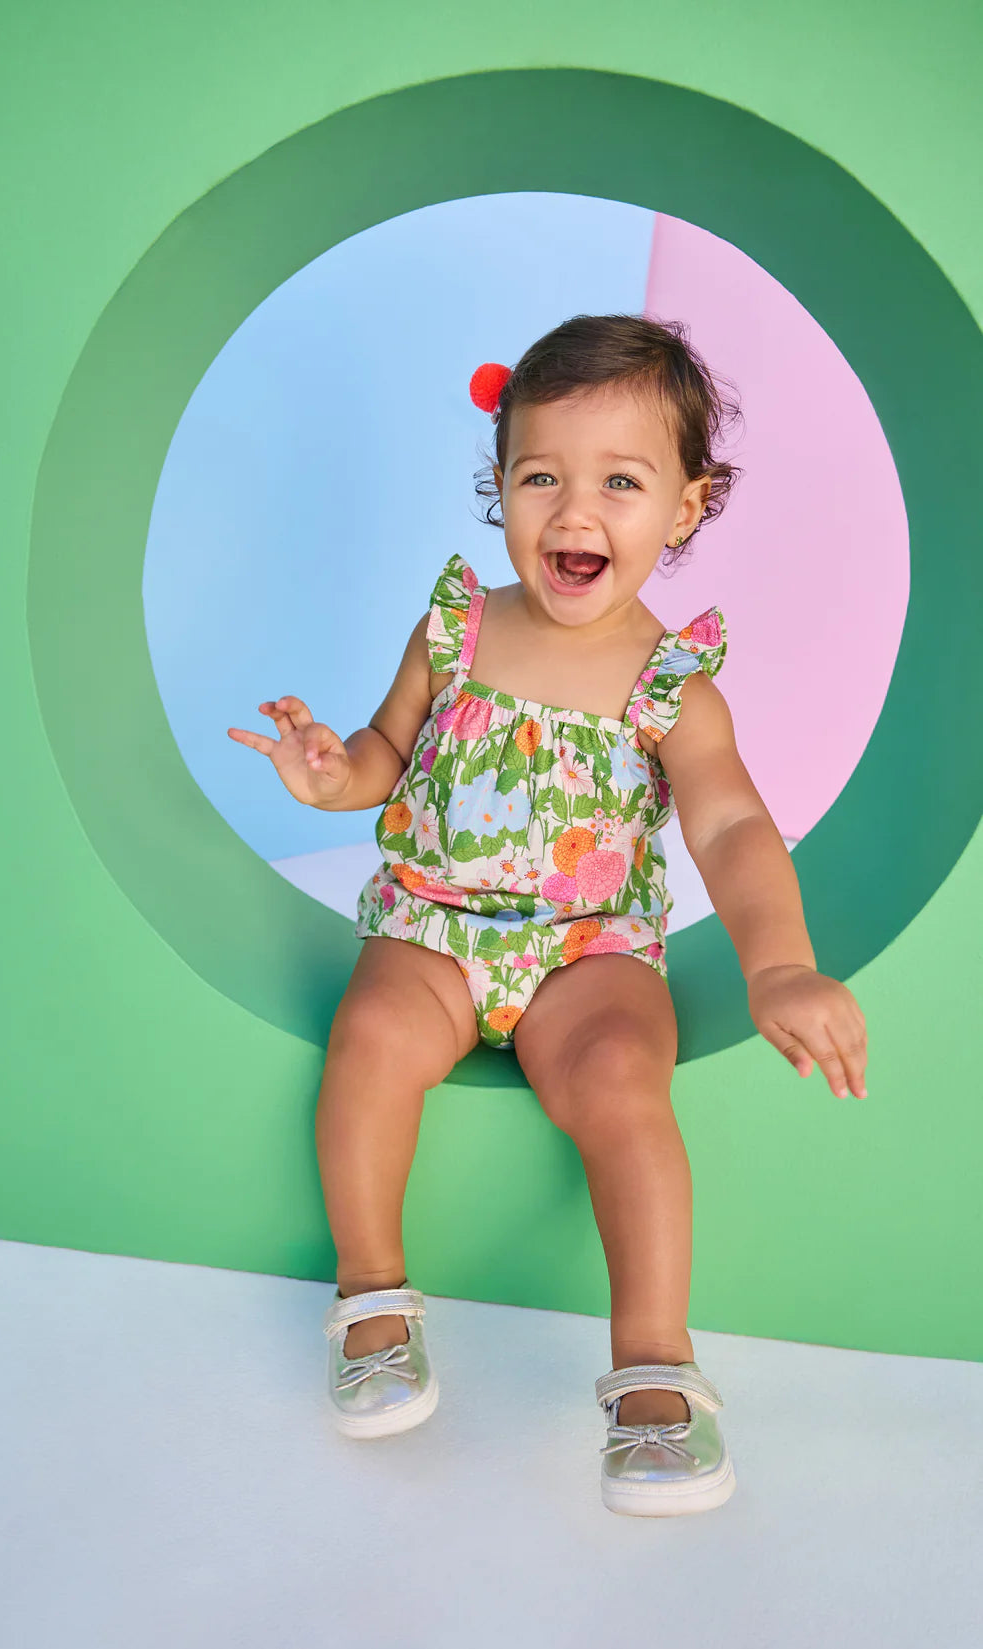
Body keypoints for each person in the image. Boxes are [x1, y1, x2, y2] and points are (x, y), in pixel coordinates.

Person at [227, 313, 868, 1518]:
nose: (574, 513)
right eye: (540, 478)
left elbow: (731, 825)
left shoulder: (671, 684)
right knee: (371, 1033)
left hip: (587, 951)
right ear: (500, 484)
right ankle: (370, 1294)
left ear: (683, 507)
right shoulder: (455, 628)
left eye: (619, 482)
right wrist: (333, 772)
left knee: (622, 1075)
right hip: (435, 925)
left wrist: (779, 963)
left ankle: (653, 1365)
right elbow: (386, 752)